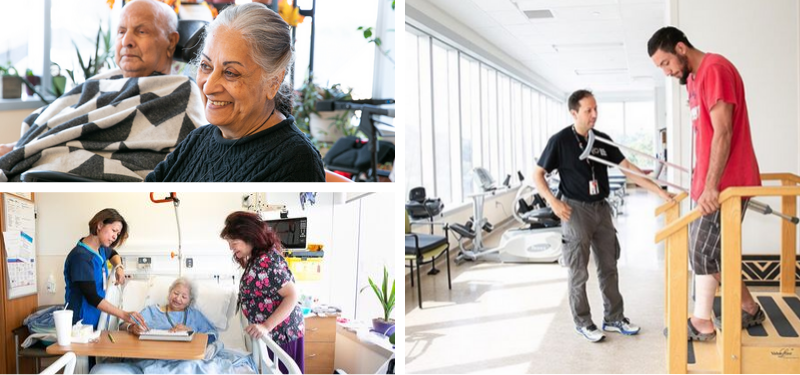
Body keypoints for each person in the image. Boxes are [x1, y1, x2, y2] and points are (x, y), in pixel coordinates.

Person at [0, 0, 207, 182]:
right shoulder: (101, 81)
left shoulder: (180, 92)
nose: (127, 41)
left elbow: (190, 158)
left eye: (141, 31)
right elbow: (58, 122)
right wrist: (20, 147)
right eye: (121, 31)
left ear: (171, 41)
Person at [648, 26, 764, 341]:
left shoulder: (715, 69)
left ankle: (702, 321)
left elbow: (724, 132)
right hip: (711, 185)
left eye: (665, 63)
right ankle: (749, 308)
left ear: (681, 48)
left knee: (702, 251)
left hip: (727, 185)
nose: (667, 71)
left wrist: (711, 187)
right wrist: (698, 183)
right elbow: (705, 136)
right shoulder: (694, 80)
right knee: (714, 251)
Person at [533, 89, 675, 343]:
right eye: (589, 110)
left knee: (609, 267)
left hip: (601, 209)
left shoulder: (602, 141)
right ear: (574, 113)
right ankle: (583, 322)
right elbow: (537, 174)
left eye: (596, 109)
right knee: (579, 271)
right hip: (575, 210)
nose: (594, 114)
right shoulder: (560, 141)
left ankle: (613, 318)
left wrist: (661, 192)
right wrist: (553, 202)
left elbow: (629, 170)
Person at [146, 3, 325, 182]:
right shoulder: (198, 139)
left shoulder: (297, 160)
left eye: (230, 73)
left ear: (273, 82)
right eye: (206, 66)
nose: (208, 87)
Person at [91, 277, 257, 374]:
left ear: (189, 301)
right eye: (175, 293)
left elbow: (213, 335)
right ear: (169, 293)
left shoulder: (194, 315)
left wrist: (192, 331)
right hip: (150, 359)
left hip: (184, 361)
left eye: (184, 297)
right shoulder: (151, 311)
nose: (178, 298)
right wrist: (131, 328)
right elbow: (122, 326)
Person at [221, 211, 305, 373]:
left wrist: (266, 326)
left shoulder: (267, 261)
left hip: (283, 334)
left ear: (249, 236)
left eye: (234, 242)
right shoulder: (257, 260)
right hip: (273, 336)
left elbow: (293, 295)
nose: (231, 247)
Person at [64, 209, 147, 330]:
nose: (114, 237)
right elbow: (92, 297)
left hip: (97, 319)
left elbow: (113, 254)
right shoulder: (81, 257)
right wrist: (124, 314)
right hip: (80, 322)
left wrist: (119, 267)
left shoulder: (101, 249)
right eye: (114, 230)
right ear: (99, 225)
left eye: (117, 234)